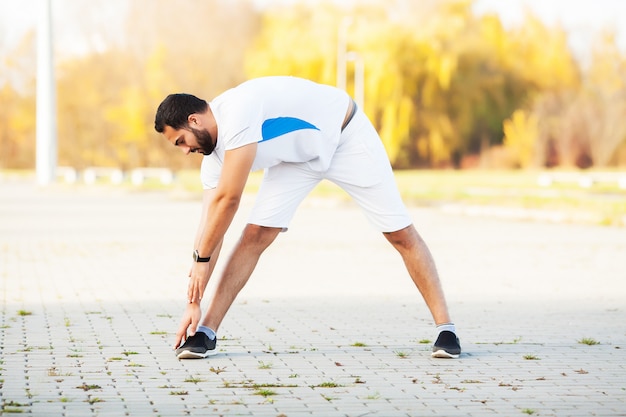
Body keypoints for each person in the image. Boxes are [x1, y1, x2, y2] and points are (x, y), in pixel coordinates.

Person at [154, 76, 461, 359]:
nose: (184, 151)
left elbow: (229, 201)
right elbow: (211, 227)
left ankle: (446, 330)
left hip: (346, 137)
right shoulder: (212, 159)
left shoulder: (236, 111)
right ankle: (205, 332)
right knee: (255, 235)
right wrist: (193, 301)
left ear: (194, 120)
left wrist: (201, 262)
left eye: (181, 141)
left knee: (400, 234)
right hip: (296, 160)